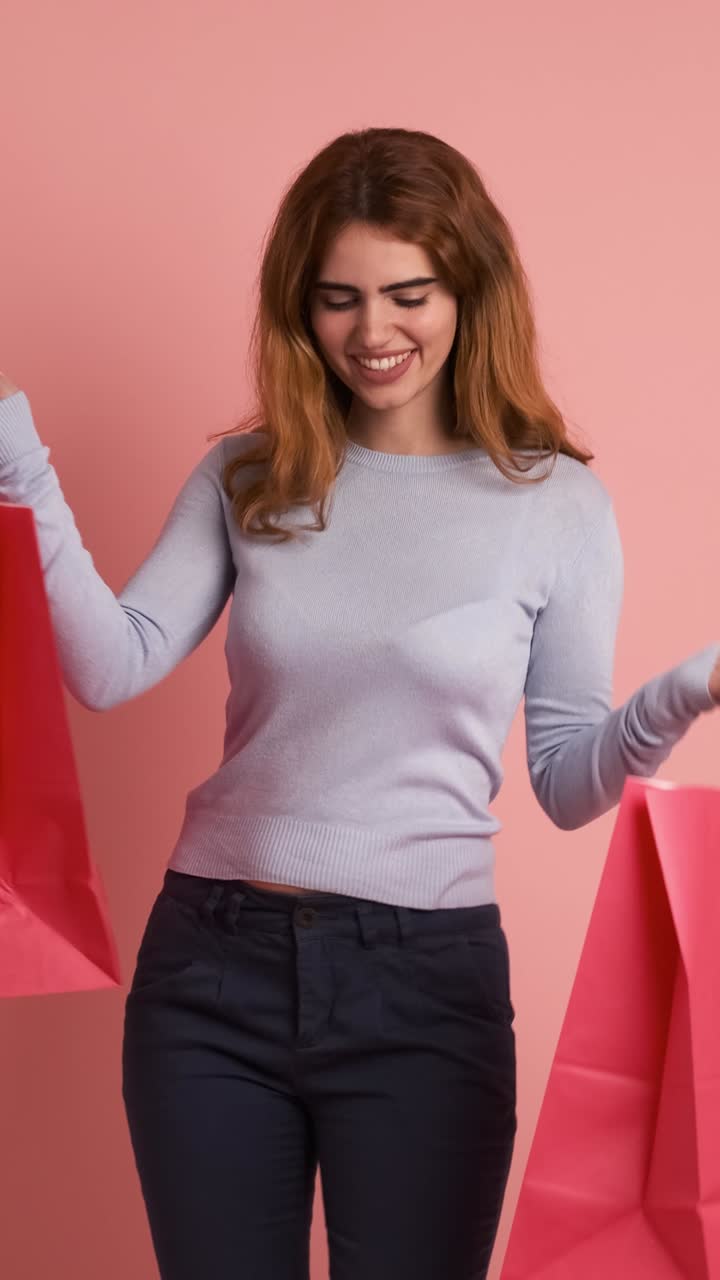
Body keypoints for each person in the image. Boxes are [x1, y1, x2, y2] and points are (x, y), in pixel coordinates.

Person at [1, 126, 718, 1280]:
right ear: (300, 305)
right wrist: (17, 459)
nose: (373, 333)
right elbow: (112, 663)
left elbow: (567, 778)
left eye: (407, 292)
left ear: (469, 287)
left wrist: (695, 685)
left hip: (425, 988)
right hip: (211, 967)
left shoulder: (556, 506)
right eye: (338, 298)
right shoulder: (252, 474)